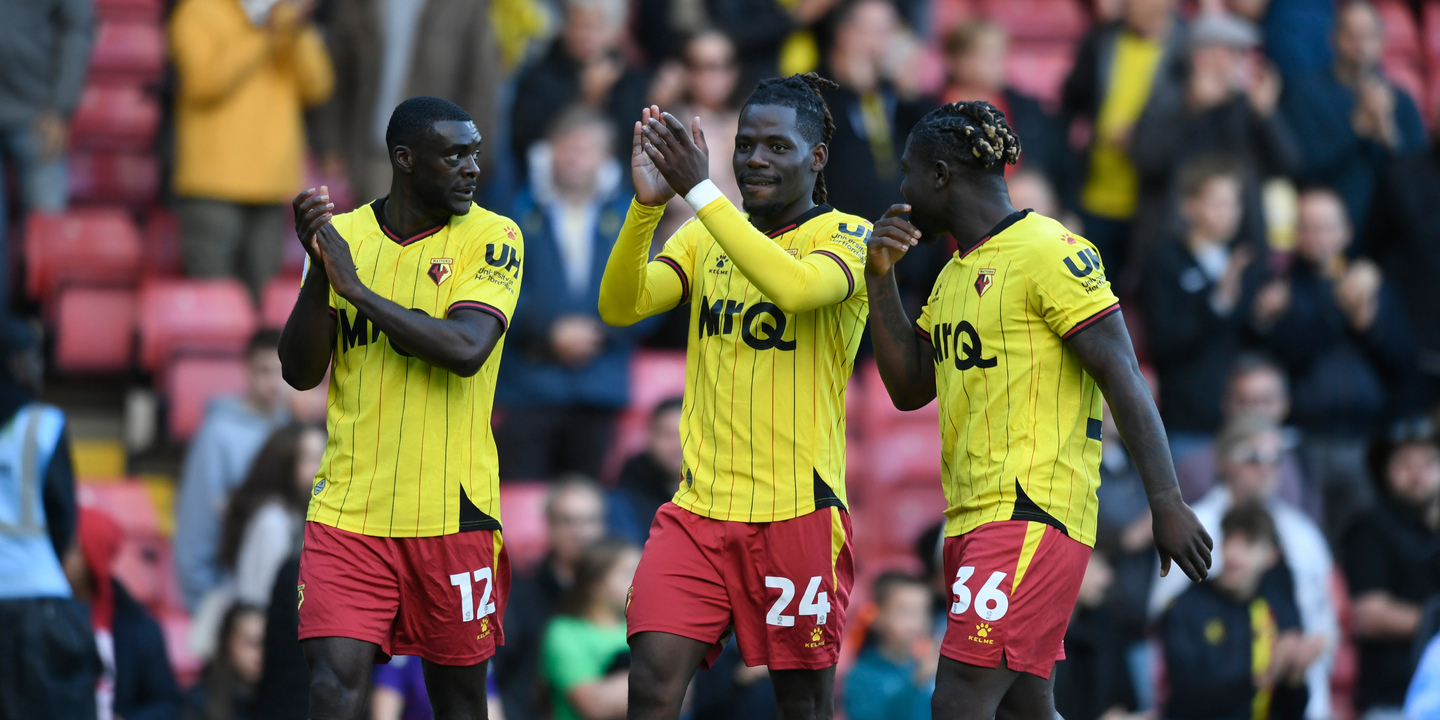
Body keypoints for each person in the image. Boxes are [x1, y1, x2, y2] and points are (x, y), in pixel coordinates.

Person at [861, 99, 1212, 720]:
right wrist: (880, 277)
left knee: (958, 701)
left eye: (910, 174)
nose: (904, 189)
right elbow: (911, 388)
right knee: (1025, 707)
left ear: (940, 175)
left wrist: (1166, 501)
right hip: (973, 517)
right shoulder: (950, 276)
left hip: (1031, 511)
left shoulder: (1051, 250)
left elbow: (1122, 373)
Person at [597, 74, 872, 720]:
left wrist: (700, 192)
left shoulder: (850, 238)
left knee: (801, 705)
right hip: (697, 514)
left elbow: (798, 290)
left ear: (818, 158)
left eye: (777, 147)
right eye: (746, 145)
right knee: (652, 685)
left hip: (797, 515)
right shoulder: (702, 236)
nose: (755, 159)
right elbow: (621, 304)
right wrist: (645, 209)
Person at [280, 96, 524, 720]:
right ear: (405, 160)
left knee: (460, 703)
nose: (472, 167)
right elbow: (299, 372)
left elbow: (467, 348)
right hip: (347, 514)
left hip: (453, 513)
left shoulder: (495, 236)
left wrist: (355, 289)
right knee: (332, 689)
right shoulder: (347, 237)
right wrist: (318, 270)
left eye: (474, 153)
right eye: (455, 155)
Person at [1253, 187, 1418, 539]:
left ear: (1347, 232)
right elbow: (1285, 357)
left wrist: (1369, 325)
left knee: (1364, 536)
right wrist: (1339, 312)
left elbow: (1402, 364)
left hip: (1367, 440)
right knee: (1307, 534)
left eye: (1326, 226)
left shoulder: (1375, 286)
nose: (1317, 237)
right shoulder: (1280, 289)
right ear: (1295, 234)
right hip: (1305, 440)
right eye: (1308, 227)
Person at [1149, 413, 1336, 719]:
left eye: (1276, 458)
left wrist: (1297, 668)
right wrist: (1258, 675)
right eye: (1253, 457)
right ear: (1223, 461)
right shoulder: (1191, 525)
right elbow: (1165, 618)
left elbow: (1321, 622)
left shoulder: (1304, 533)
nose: (1266, 469)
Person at [495, 107, 648, 479]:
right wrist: (549, 332)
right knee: (521, 508)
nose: (575, 156)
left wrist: (600, 330)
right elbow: (497, 285)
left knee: (587, 509)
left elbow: (654, 289)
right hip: (528, 386)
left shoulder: (635, 215)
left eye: (586, 148)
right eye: (567, 147)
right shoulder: (512, 211)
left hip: (600, 387)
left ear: (605, 159)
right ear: (548, 154)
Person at [169, 0, 334, 297]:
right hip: (212, 186)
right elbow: (202, 82)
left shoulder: (287, 20)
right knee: (213, 306)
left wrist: (296, 31)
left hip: (271, 186)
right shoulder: (198, 10)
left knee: (264, 306)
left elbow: (319, 86)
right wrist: (265, 35)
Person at [1129, 13, 1298, 263]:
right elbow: (1145, 160)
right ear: (1201, 58)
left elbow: (1289, 166)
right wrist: (1190, 109)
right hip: (1175, 248)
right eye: (1234, 53)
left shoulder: (1249, 105)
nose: (1244, 63)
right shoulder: (1168, 96)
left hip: (1242, 246)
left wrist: (1267, 115)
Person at [0, 318, 98, 720]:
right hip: (38, 602)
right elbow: (61, 515)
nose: (39, 369)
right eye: (33, 359)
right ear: (16, 364)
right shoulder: (43, 424)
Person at [312, 0, 503, 203]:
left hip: (437, 166)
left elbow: (481, 88)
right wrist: (330, 146)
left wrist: (472, 158)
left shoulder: (466, 6)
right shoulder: (357, 5)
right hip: (369, 159)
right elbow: (335, 75)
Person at [1141, 157, 1265, 446]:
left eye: (1233, 204)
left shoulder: (1245, 260)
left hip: (1244, 423)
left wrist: (1266, 316)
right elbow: (1165, 340)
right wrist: (1218, 302)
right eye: (1217, 203)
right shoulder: (1165, 260)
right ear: (1189, 206)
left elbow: (1251, 339)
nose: (1228, 214)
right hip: (1187, 420)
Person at [1061, 0, 1187, 277]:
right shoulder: (1102, 39)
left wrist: (1141, 139)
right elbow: (1071, 101)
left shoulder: (1186, 50)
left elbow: (1191, 123)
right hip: (1094, 193)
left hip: (1155, 202)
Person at [1281, 0, 1427, 231]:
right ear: (1333, 39)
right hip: (1327, 230)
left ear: (1382, 42)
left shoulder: (1402, 101)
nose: (1361, 45)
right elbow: (1302, 167)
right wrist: (1357, 128)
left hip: (1391, 231)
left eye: (1369, 36)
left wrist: (1389, 134)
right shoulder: (1305, 93)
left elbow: (1423, 179)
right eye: (1352, 36)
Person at [1160, 502, 1312, 720]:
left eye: (1248, 544)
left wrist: (1294, 677)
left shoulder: (1277, 609)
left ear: (1271, 556)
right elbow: (1187, 696)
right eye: (1228, 540)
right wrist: (1263, 677)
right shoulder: (1186, 606)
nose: (1233, 554)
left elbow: (1292, 710)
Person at [175, 330, 292, 611]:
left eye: (283, 371)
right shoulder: (217, 435)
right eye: (264, 370)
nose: (274, 382)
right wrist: (208, 605)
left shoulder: (292, 430)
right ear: (246, 370)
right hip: (231, 604)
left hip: (281, 600)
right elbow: (197, 523)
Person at [0, 0, 92, 309]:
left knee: (50, 240)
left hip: (38, 115)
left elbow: (77, 30)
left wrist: (60, 108)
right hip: (34, 110)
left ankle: (47, 336)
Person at [1343, 431, 1440, 715]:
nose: (1417, 474)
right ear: (1384, 471)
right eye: (1404, 464)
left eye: (1428, 462)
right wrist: (1433, 620)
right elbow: (1367, 616)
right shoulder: (1370, 529)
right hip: (1395, 697)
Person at [494, 478, 608, 720]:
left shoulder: (621, 594)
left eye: (590, 521)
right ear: (549, 526)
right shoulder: (519, 596)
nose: (581, 533)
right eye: (568, 521)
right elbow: (497, 674)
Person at [817, 0, 934, 223]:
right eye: (877, 31)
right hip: (844, 237)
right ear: (845, 34)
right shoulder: (818, 92)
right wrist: (855, 91)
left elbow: (932, 151)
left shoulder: (897, 93)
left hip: (907, 236)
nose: (886, 42)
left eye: (891, 30)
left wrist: (909, 94)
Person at [509, 0, 649, 181]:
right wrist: (585, 100)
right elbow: (526, 138)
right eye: (577, 25)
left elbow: (631, 141)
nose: (584, 35)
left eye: (594, 27)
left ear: (615, 32)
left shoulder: (627, 77)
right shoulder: (541, 74)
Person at [66, 508, 183, 720]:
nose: (58, 551)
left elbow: (166, 704)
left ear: (93, 554)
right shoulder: (39, 616)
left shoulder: (139, 626)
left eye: (71, 545)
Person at [1173, 354, 1317, 521]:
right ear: (1224, 403)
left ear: (1285, 404)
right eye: (1243, 402)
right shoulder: (1191, 470)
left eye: (1265, 401)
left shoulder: (1304, 463)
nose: (1253, 412)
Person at [940, 20, 1066, 197]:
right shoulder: (926, 111)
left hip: (1017, 207)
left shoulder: (1027, 108)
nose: (999, 63)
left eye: (1001, 54)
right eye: (988, 55)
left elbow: (1059, 167)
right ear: (959, 61)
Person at [216, 423, 326, 607]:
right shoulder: (273, 521)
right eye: (309, 459)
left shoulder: (296, 514)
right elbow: (263, 598)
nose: (320, 469)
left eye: (324, 458)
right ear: (284, 463)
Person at [540, 539, 641, 720]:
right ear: (596, 585)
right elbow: (595, 707)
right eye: (629, 573)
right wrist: (656, 678)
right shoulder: (564, 633)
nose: (640, 582)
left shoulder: (640, 625)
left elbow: (685, 693)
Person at [1051, 546, 1138, 720]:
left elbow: (1123, 696)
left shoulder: (1103, 624)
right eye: (1101, 565)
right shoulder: (1036, 633)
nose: (1108, 578)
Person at [841, 573, 935, 720]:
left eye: (922, 611)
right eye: (903, 611)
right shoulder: (861, 674)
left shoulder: (931, 671)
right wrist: (917, 682)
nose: (914, 622)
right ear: (876, 615)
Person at [607, 397, 684, 546]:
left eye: (685, 434)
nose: (677, 445)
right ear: (649, 438)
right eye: (668, 435)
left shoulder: (720, 489)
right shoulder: (623, 495)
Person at [183, 603, 266, 720]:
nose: (261, 653)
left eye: (266, 644)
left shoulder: (280, 697)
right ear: (227, 644)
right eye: (251, 643)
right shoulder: (200, 700)